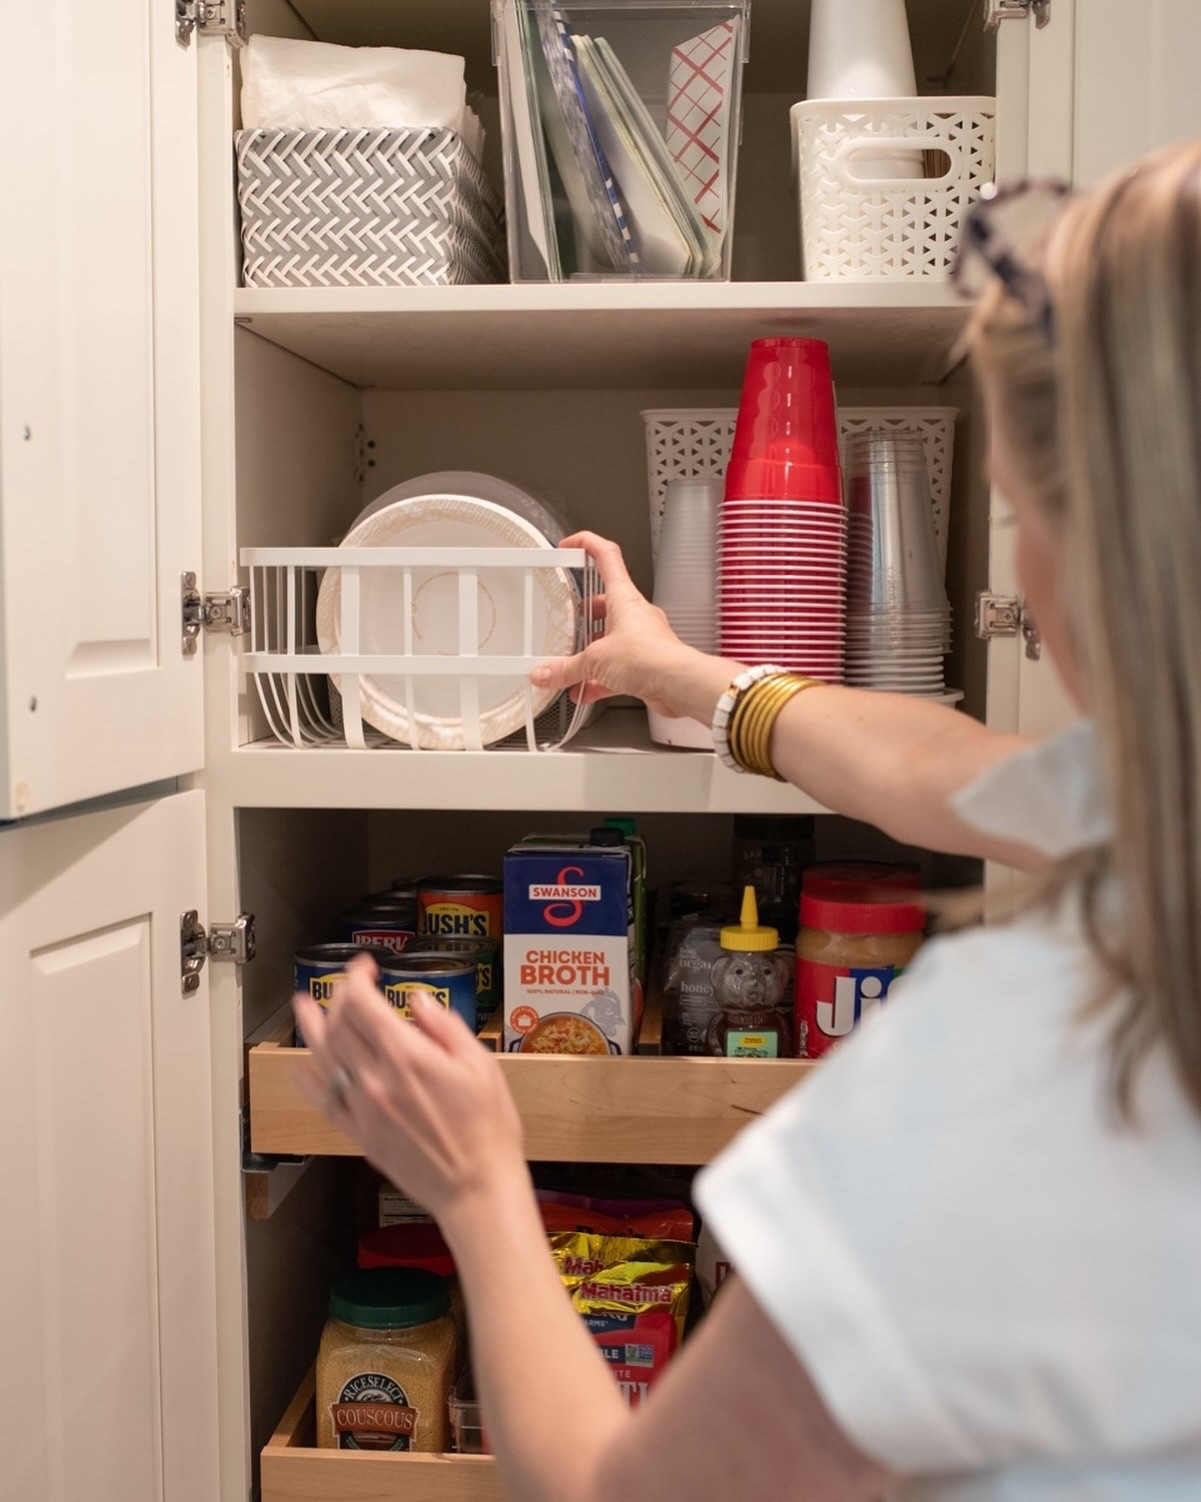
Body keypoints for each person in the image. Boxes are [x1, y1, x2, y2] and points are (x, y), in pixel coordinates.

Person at [293, 139, 1201, 1500]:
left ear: (1116, 550)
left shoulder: (1039, 1061)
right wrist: (692, 679)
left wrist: (477, 1182)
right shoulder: (1154, 813)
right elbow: (938, 764)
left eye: (1014, 512)